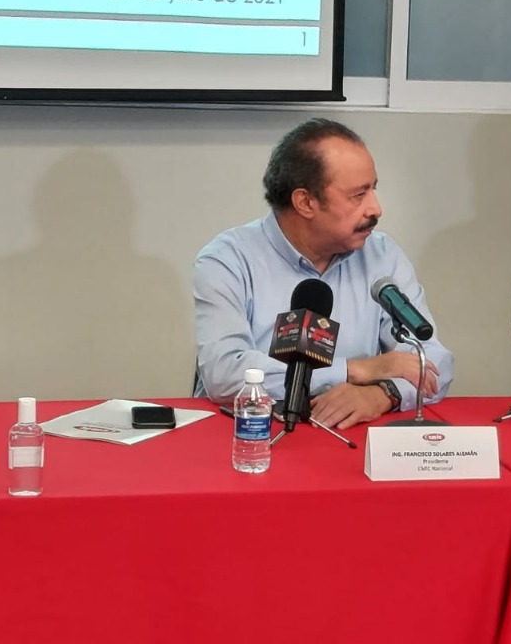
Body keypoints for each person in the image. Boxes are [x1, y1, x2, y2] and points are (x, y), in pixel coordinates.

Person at [194, 118, 453, 428]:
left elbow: (432, 359)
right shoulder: (228, 259)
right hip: (250, 436)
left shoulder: (382, 255)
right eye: (358, 195)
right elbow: (224, 373)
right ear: (305, 202)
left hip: (349, 438)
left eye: (373, 189)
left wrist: (383, 394)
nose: (376, 209)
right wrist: (357, 370)